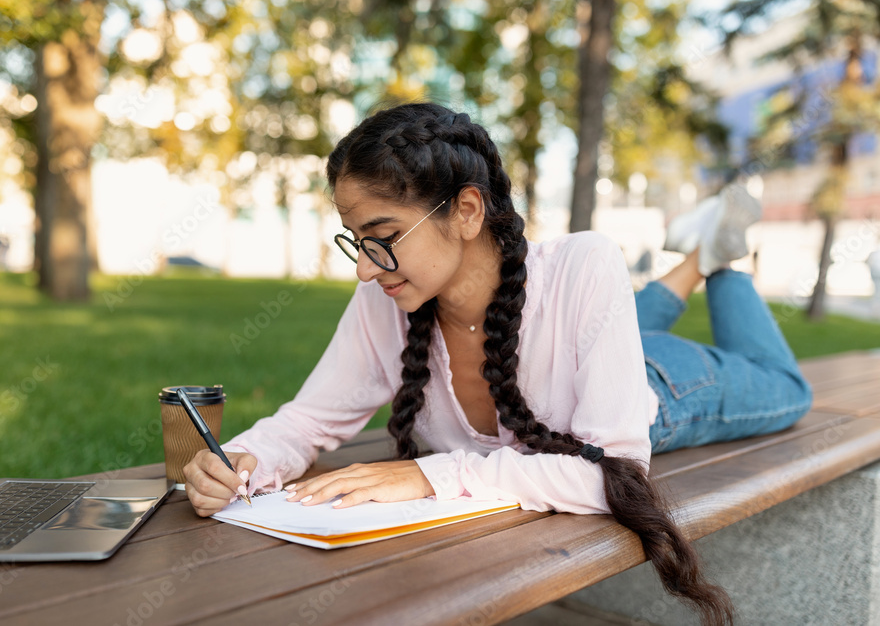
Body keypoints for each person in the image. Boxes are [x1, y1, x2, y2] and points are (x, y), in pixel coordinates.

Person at [185, 104, 811, 625]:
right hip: (594, 353)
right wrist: (245, 458)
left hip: (664, 390)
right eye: (356, 240)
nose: (364, 268)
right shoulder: (387, 300)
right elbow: (306, 423)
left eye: (384, 236)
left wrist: (433, 474)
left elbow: (613, 472)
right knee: (621, 322)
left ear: (466, 210)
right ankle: (700, 250)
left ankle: (720, 254)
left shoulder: (585, 263)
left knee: (784, 386)